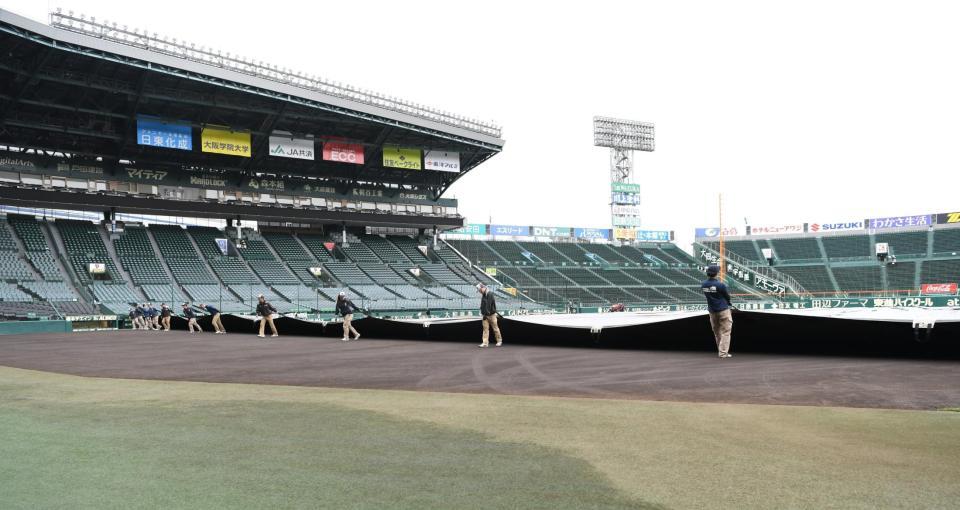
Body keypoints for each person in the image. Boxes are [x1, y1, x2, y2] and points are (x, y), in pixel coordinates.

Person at [701, 265, 733, 358]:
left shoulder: (703, 284)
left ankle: (721, 351)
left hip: (712, 311)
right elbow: (727, 297)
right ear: (716, 274)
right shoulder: (720, 284)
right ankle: (723, 353)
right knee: (726, 332)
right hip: (723, 310)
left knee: (717, 332)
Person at [477, 283, 502, 348]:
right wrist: (483, 313)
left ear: (482, 288)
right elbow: (483, 305)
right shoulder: (484, 295)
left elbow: (489, 305)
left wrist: (485, 314)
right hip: (485, 315)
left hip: (491, 315)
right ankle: (485, 343)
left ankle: (499, 341)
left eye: (479, 290)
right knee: (485, 329)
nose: (479, 291)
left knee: (495, 329)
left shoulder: (489, 294)